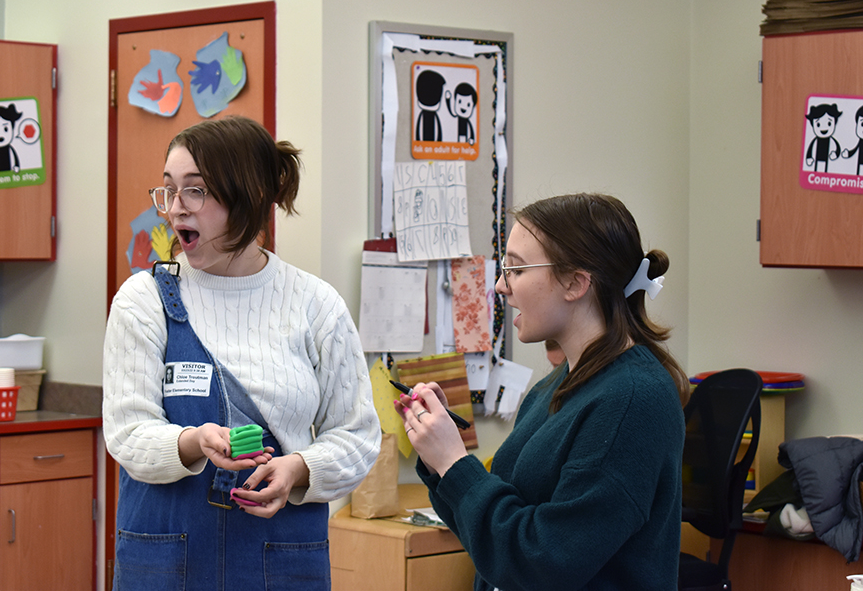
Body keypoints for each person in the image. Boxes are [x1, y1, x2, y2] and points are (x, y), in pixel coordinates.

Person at [103, 116, 381, 591]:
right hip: (168, 561)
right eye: (168, 190)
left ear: (249, 196)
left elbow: (357, 437)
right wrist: (193, 441)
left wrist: (299, 469)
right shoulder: (143, 300)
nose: (175, 210)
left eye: (195, 191)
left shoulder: (316, 305)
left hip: (279, 559)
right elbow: (127, 434)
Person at [395, 193, 689, 591]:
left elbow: (545, 562)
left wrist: (454, 462)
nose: (501, 286)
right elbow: (495, 538)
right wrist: (440, 458)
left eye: (516, 269)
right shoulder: (556, 385)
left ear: (575, 282)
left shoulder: (633, 399)